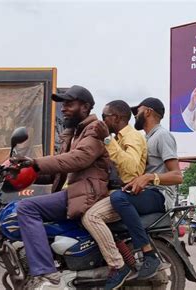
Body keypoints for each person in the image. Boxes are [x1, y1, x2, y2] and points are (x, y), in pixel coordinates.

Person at [13, 85, 110, 288]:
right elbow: (58, 171)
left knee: (26, 208)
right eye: (63, 104)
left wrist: (35, 162)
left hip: (87, 193)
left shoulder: (94, 130)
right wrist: (23, 176)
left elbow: (78, 159)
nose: (64, 108)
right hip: (74, 191)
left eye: (69, 104)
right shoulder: (74, 133)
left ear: (85, 107)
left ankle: (46, 273)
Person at [110, 97, 183, 280]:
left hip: (159, 195)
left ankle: (148, 253)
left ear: (148, 112)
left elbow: (177, 176)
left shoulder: (162, 136)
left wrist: (150, 177)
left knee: (119, 198)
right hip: (146, 192)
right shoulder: (144, 139)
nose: (135, 115)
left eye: (138, 111)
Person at [81, 100, 147, 290]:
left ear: (116, 118)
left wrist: (107, 141)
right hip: (113, 191)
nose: (102, 121)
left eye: (104, 117)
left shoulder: (132, 136)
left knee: (91, 217)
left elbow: (132, 168)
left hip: (126, 194)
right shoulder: (116, 138)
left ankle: (118, 266)